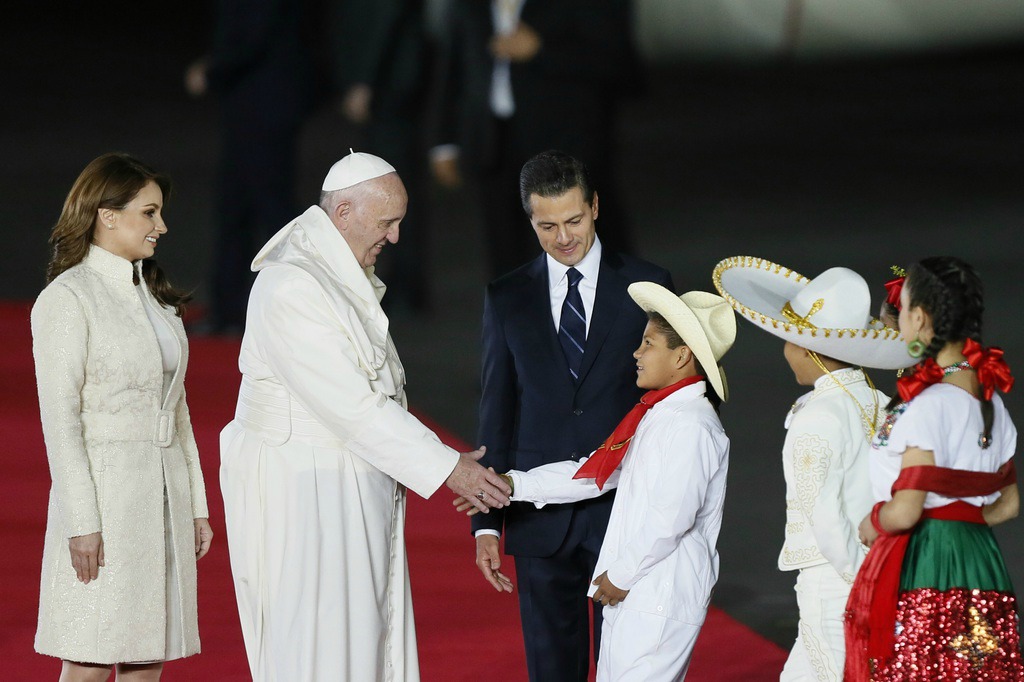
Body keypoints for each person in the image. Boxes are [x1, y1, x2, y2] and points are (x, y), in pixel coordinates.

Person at [218, 150, 511, 681]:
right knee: (317, 642)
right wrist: (450, 469)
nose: (395, 238)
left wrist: (445, 462)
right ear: (343, 212)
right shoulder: (292, 286)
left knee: (361, 638)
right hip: (302, 492)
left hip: (343, 482)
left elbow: (380, 395)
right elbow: (352, 405)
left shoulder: (335, 274)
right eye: (387, 223)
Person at [461, 283, 736, 680]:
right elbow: (593, 475)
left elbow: (672, 516)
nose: (636, 353)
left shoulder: (691, 425)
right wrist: (511, 485)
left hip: (657, 591)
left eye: (648, 343)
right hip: (643, 589)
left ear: (681, 356)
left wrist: (620, 575)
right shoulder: (660, 415)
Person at [472, 150, 673, 681]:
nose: (564, 237)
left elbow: (675, 403)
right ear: (530, 220)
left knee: (627, 667)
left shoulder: (648, 286)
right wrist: (487, 524)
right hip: (540, 518)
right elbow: (497, 413)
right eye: (547, 225)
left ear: (596, 207)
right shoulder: (507, 297)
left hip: (625, 513)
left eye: (574, 220)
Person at [31, 153, 213, 681]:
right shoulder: (67, 298)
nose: (162, 226)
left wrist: (195, 505)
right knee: (89, 657)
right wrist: (81, 523)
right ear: (107, 215)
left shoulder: (157, 301)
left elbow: (176, 414)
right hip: (105, 503)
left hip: (161, 497)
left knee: (147, 657)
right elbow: (59, 422)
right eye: (149, 213)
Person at [713, 257, 914, 680]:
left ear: (805, 348)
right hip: (880, 567)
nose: (785, 351)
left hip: (833, 578)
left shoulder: (815, 416)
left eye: (788, 340)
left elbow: (823, 514)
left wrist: (857, 580)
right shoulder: (881, 403)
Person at [846, 256, 1024, 681]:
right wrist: (963, 525)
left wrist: (875, 521)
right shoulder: (993, 404)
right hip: (982, 561)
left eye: (902, 308)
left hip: (922, 560)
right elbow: (1009, 504)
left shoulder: (927, 406)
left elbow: (906, 509)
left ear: (921, 318)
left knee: (917, 667)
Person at [431, 0, 640, 279]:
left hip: (566, 142)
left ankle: (612, 311)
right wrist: (445, 142)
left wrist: (541, 50)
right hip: (493, 139)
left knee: (584, 240)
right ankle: (514, 318)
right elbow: (454, 68)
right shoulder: (469, 6)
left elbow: (618, 62)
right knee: (503, 244)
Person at [184, 0, 314, 333]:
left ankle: (301, 305)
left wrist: (212, 70)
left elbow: (254, 37)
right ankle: (230, 309)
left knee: (273, 213)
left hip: (264, 108)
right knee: (236, 209)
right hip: (252, 107)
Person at [328, 0, 433, 313]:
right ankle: (405, 283)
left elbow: (381, 18)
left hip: (390, 87)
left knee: (392, 185)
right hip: (394, 83)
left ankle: (407, 285)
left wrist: (363, 80)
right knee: (392, 182)